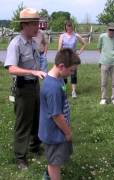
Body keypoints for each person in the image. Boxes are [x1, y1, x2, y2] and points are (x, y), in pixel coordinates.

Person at [4, 8, 46, 170]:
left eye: (38, 23)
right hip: (23, 88)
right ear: (25, 25)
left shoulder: (33, 42)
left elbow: (38, 59)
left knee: (37, 118)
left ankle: (35, 147)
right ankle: (20, 157)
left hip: (35, 86)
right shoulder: (16, 44)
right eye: (35, 24)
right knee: (23, 123)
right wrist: (32, 72)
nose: (38, 27)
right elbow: (11, 69)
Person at [39, 48, 81, 180]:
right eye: (71, 70)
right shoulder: (53, 87)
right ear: (61, 66)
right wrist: (67, 133)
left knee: (57, 157)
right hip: (54, 133)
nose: (72, 73)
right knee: (54, 163)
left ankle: (48, 174)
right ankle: (51, 176)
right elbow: (56, 115)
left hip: (57, 130)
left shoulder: (58, 79)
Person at [58, 20, 86, 98]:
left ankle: (73, 92)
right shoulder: (62, 36)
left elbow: (84, 44)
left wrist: (79, 52)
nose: (69, 27)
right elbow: (59, 48)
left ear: (72, 26)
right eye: (68, 26)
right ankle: (63, 91)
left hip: (73, 58)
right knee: (64, 76)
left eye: (70, 26)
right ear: (65, 27)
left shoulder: (76, 35)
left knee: (73, 75)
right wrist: (59, 57)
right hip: (64, 58)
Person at [98, 22, 114, 105]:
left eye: (113, 30)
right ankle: (103, 98)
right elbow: (99, 48)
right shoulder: (102, 37)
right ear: (107, 29)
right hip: (104, 62)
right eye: (110, 30)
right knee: (103, 81)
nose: (111, 31)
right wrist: (104, 57)